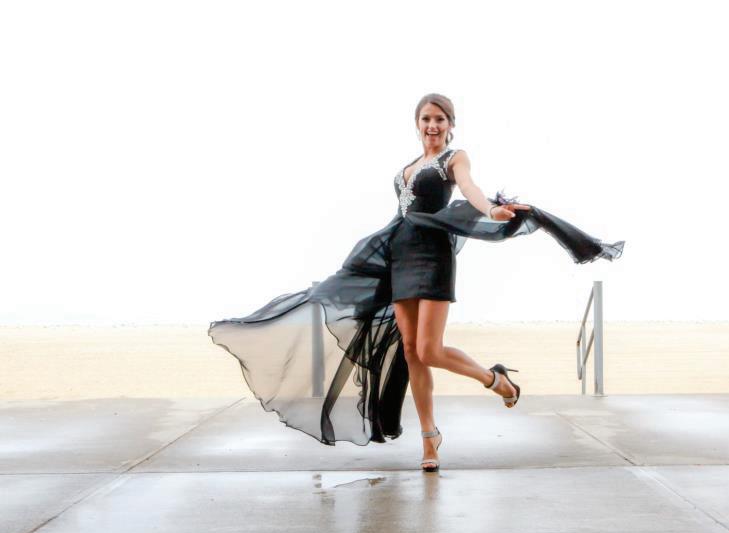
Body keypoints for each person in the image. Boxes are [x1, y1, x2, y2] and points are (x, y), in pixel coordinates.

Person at [208, 93, 624, 473]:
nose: (432, 125)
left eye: (440, 119)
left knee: (429, 348)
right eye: (426, 119)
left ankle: (494, 379)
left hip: (433, 256)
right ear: (417, 124)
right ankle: (430, 438)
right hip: (399, 256)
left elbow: (470, 188)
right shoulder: (406, 168)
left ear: (450, 124)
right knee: (411, 352)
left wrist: (489, 211)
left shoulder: (454, 158)